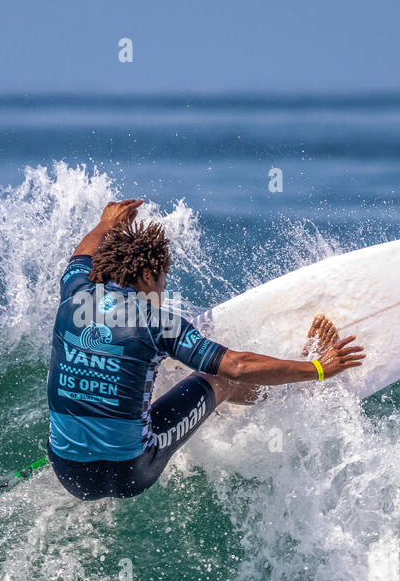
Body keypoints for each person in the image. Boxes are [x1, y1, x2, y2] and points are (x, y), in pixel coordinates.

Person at [46, 199, 365, 500]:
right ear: (147, 275)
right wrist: (319, 368)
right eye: (162, 280)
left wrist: (106, 224)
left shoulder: (73, 291)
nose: (163, 289)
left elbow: (83, 252)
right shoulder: (158, 323)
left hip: (68, 472)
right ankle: (292, 394)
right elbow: (236, 366)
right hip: (132, 472)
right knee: (222, 381)